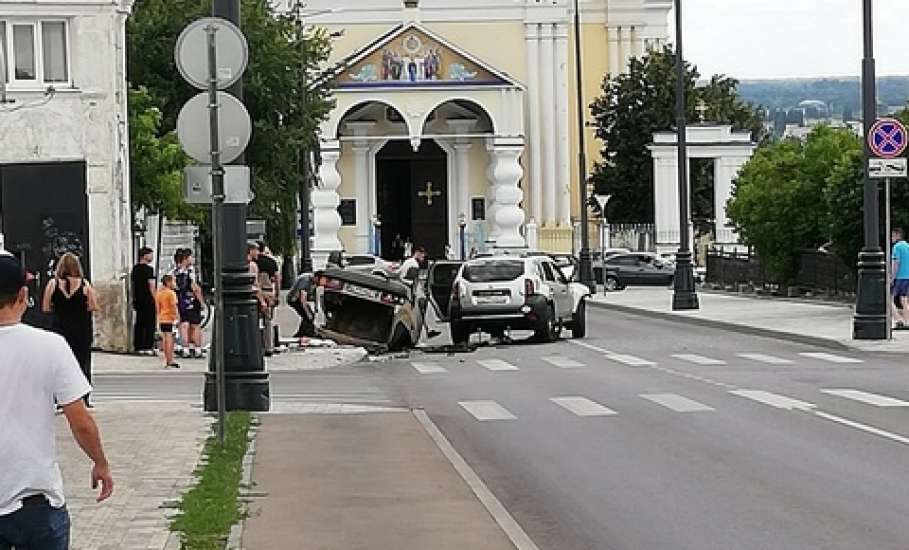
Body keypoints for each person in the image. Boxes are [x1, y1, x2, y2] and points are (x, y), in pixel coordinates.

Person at [0, 252, 114, 549]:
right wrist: (100, 462)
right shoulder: (49, 347)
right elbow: (80, 419)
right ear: (23, 295)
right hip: (34, 498)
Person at [42, 253, 97, 407]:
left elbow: (45, 307)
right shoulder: (84, 285)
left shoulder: (52, 284)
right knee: (82, 362)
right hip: (81, 328)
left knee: (59, 364)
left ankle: (60, 398)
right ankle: (83, 397)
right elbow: (93, 305)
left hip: (60, 328)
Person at [173, 249, 205, 359]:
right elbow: (195, 288)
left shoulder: (174, 272)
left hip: (180, 300)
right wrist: (201, 301)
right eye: (190, 257)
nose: (192, 259)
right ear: (185, 259)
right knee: (195, 325)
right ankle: (197, 349)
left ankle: (185, 348)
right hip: (191, 300)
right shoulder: (190, 273)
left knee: (183, 324)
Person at [255, 242, 280, 356]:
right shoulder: (271, 262)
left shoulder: (253, 262)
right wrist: (277, 295)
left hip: (256, 293)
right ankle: (269, 347)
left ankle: (256, 345)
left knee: (254, 320)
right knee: (268, 321)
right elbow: (278, 279)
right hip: (268, 292)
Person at [131, 247, 157, 356]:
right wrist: (156, 299)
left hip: (138, 299)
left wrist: (133, 297)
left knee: (139, 323)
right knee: (150, 323)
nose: (152, 257)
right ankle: (148, 346)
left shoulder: (135, 269)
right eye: (150, 255)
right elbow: (151, 286)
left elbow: (132, 285)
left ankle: (138, 346)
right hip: (148, 299)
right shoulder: (149, 270)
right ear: (145, 256)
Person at [156, 274, 180, 368]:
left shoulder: (159, 293)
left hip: (162, 317)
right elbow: (174, 306)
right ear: (168, 282)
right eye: (173, 281)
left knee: (165, 339)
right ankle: (170, 360)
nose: (174, 283)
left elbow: (158, 307)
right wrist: (177, 317)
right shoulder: (171, 293)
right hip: (170, 318)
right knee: (170, 338)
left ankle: (167, 359)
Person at [287, 272, 316, 346]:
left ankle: (301, 333)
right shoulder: (306, 280)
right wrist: (308, 312)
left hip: (299, 299)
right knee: (308, 317)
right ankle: (305, 334)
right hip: (294, 299)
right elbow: (302, 299)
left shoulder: (312, 280)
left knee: (309, 316)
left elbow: (313, 295)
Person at [891, 228, 909, 329]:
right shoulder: (907, 245)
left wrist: (892, 277)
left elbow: (896, 263)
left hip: (900, 277)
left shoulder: (896, 247)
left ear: (898, 235)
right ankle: (907, 322)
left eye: (893, 235)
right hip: (908, 276)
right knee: (904, 300)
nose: (891, 238)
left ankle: (898, 320)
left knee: (889, 299)